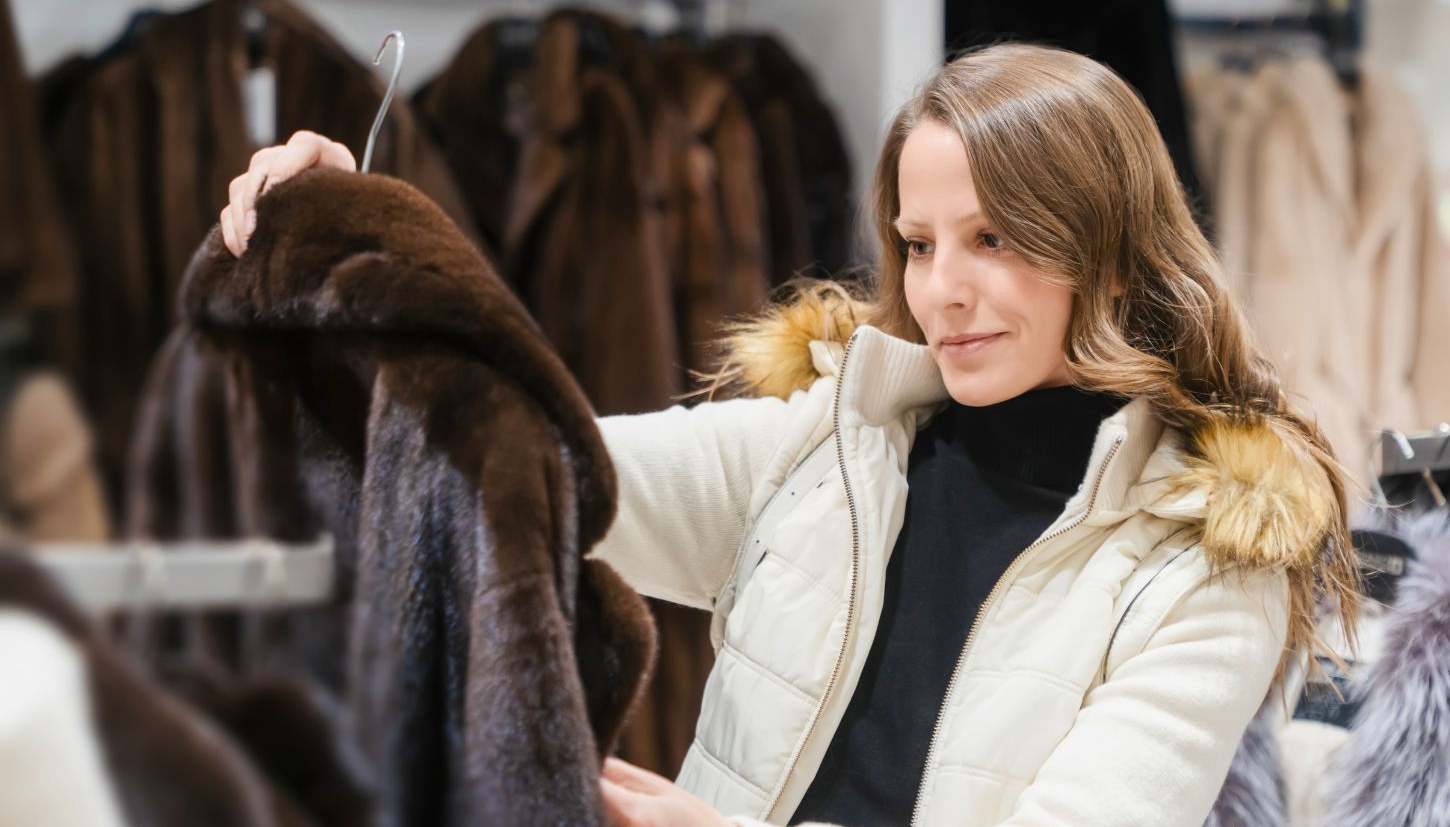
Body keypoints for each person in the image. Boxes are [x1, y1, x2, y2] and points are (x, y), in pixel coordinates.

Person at [219, 42, 1360, 827]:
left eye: (994, 239)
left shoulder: (1205, 560)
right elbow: (516, 455)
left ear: (1103, 244)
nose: (941, 289)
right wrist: (354, 249)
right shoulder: (831, 446)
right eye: (918, 244)